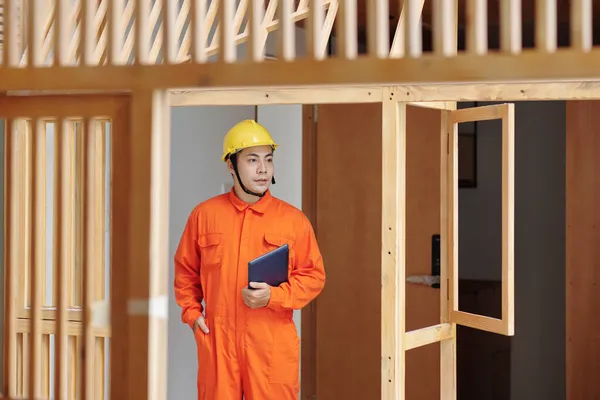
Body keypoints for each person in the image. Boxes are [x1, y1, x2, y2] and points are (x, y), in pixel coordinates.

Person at [173, 119, 326, 400]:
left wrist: (274, 297)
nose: (263, 169)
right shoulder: (204, 216)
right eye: (252, 159)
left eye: (268, 159)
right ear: (231, 164)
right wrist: (193, 316)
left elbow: (313, 277)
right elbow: (185, 272)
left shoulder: (293, 220)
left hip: (271, 343)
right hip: (219, 343)